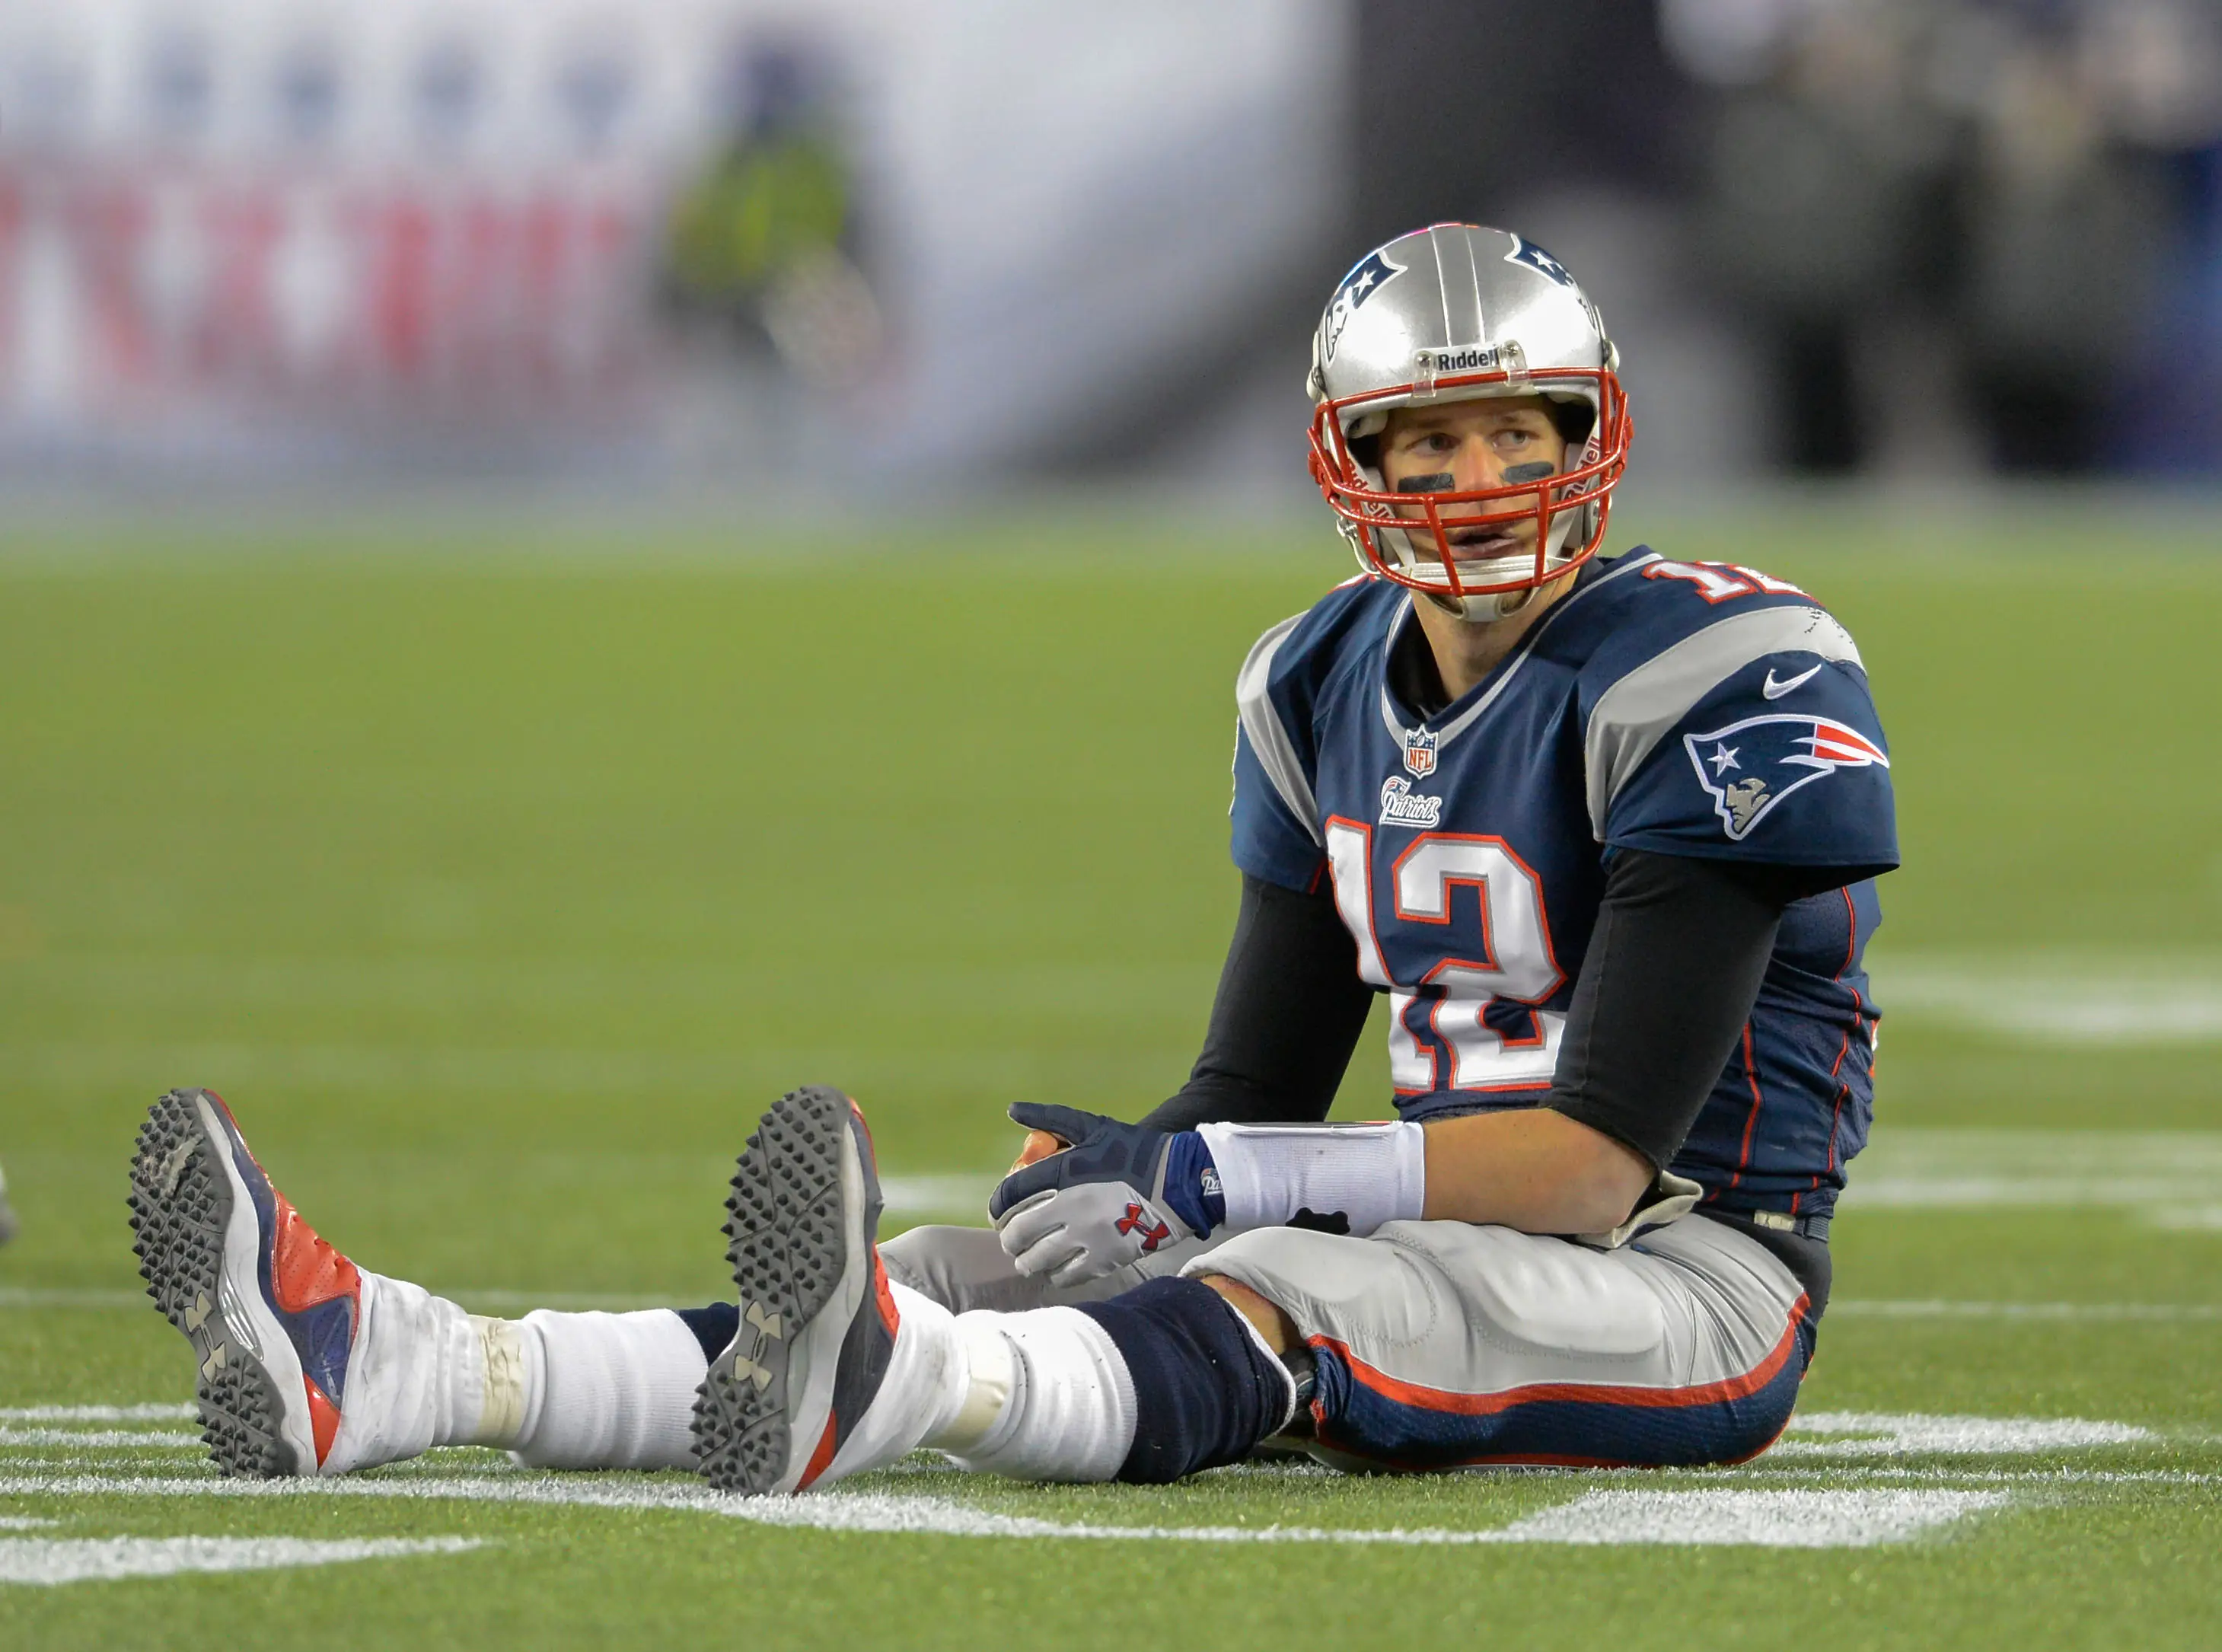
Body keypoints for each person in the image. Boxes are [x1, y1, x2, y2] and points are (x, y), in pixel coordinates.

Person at [129, 224, 1894, 1489]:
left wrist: (1227, 1184)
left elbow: (1591, 1167)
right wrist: (1140, 1170)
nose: (1482, 472)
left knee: (1278, 1275)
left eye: (1520, 428)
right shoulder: (1312, 677)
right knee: (980, 1257)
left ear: (1591, 434)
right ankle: (417, 1367)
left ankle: (901, 1396)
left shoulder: (1718, 669)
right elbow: (1250, 1083)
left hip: (1684, 1274)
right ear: (1350, 461)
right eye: (1428, 436)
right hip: (1432, 1222)